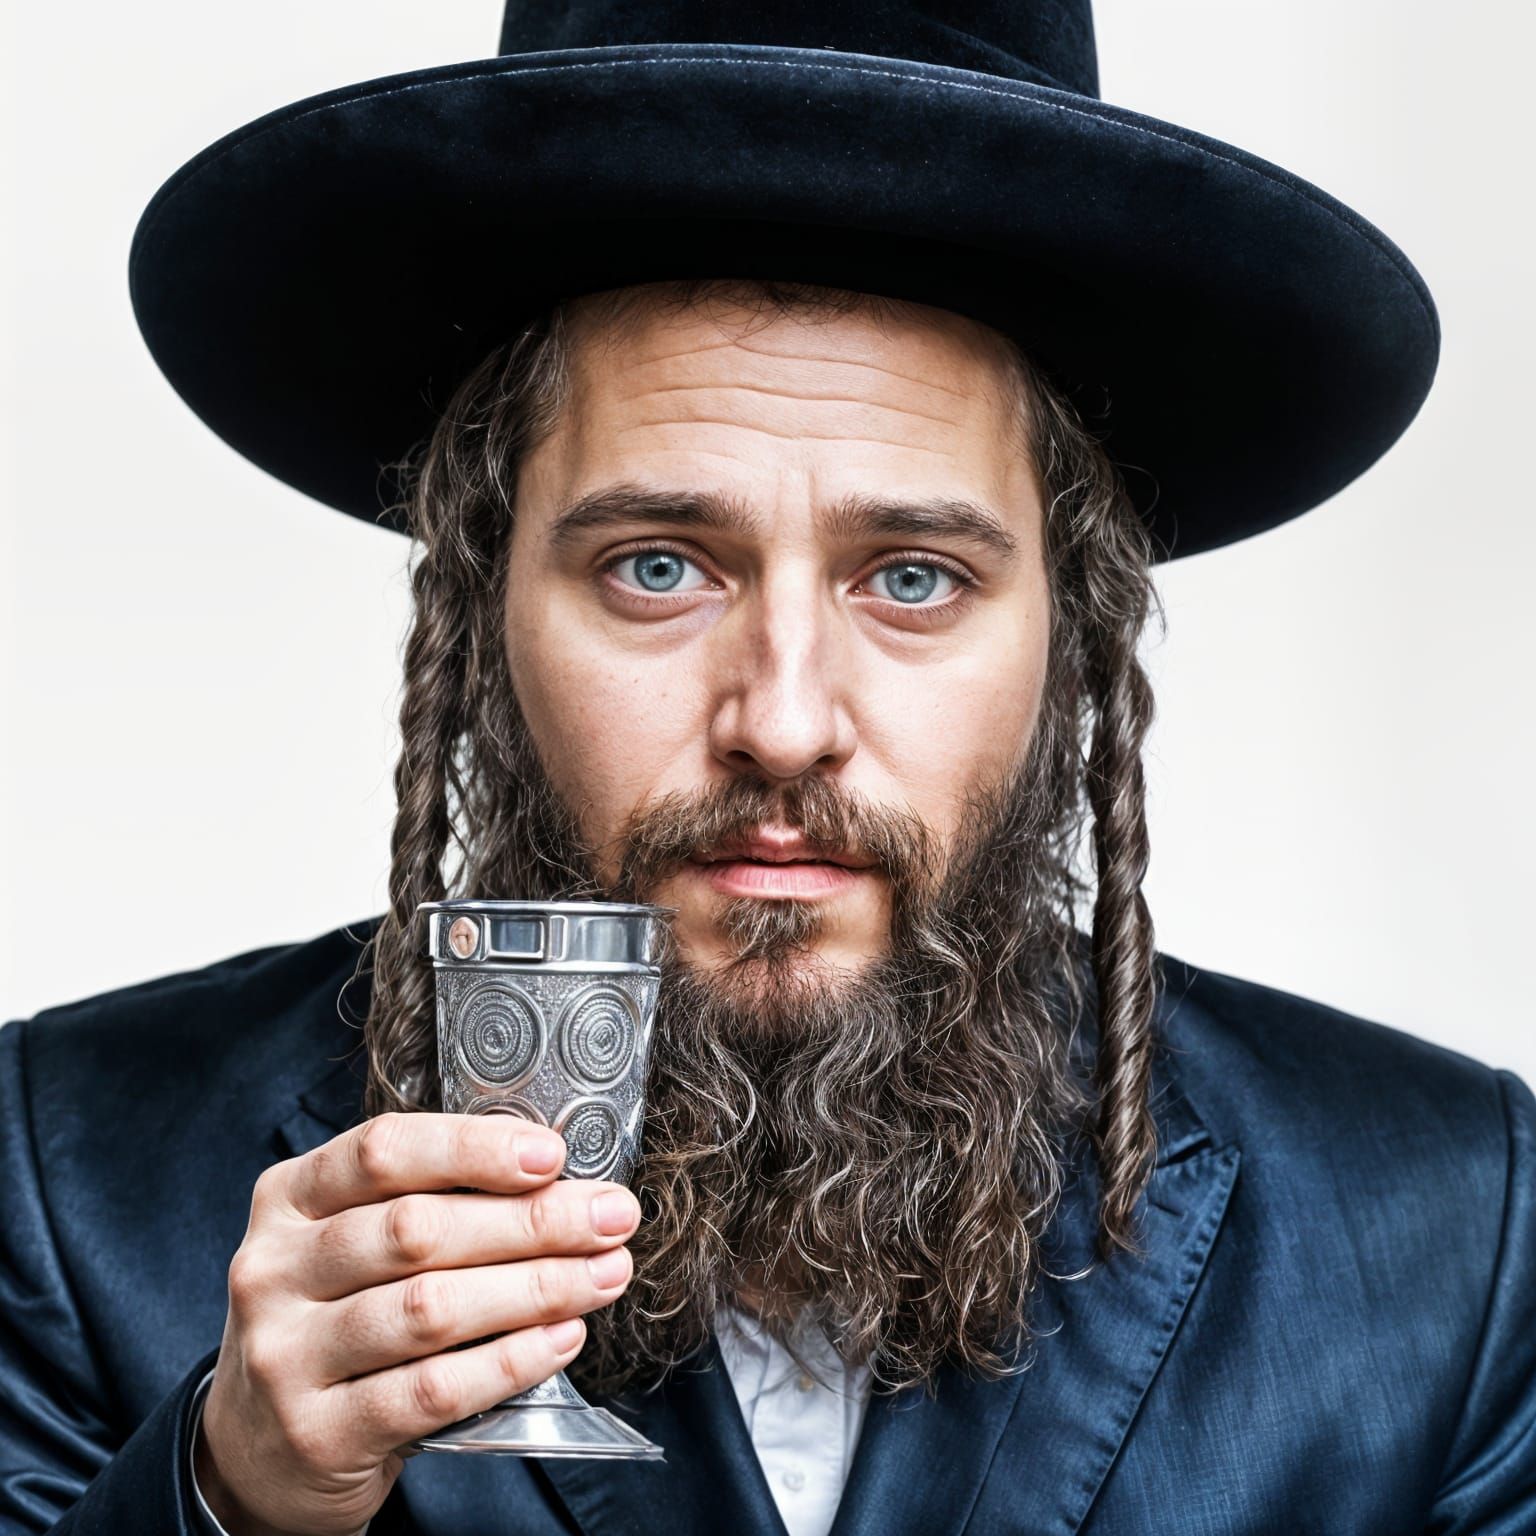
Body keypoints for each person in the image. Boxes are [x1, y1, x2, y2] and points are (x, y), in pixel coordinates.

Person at [4, 3, 1532, 1534]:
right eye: (659, 567)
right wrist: (222, 1496)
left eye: (914, 577)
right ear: (479, 610)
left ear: (1071, 633)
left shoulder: (1454, 1232)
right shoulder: (73, 1189)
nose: (785, 720)